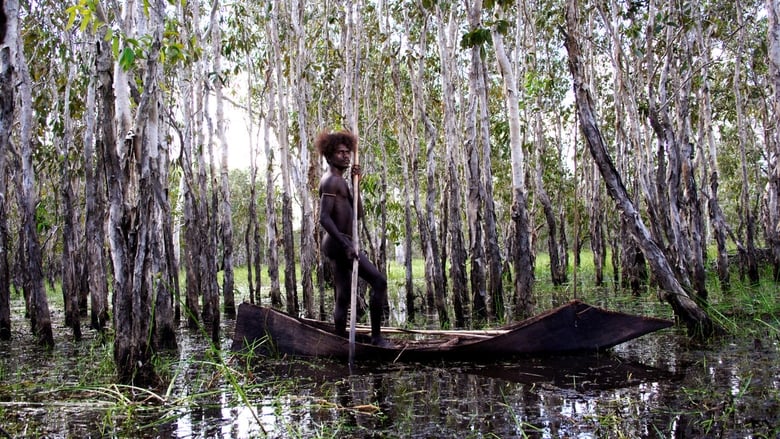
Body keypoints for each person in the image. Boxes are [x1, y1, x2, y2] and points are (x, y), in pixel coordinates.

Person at [315, 130, 390, 347]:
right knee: (379, 282)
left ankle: (339, 339)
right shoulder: (330, 181)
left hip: (342, 242)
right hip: (339, 243)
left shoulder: (341, 181)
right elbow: (324, 218)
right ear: (329, 156)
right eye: (340, 152)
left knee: (343, 295)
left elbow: (359, 213)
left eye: (348, 152)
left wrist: (356, 182)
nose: (346, 156)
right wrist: (345, 243)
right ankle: (376, 338)